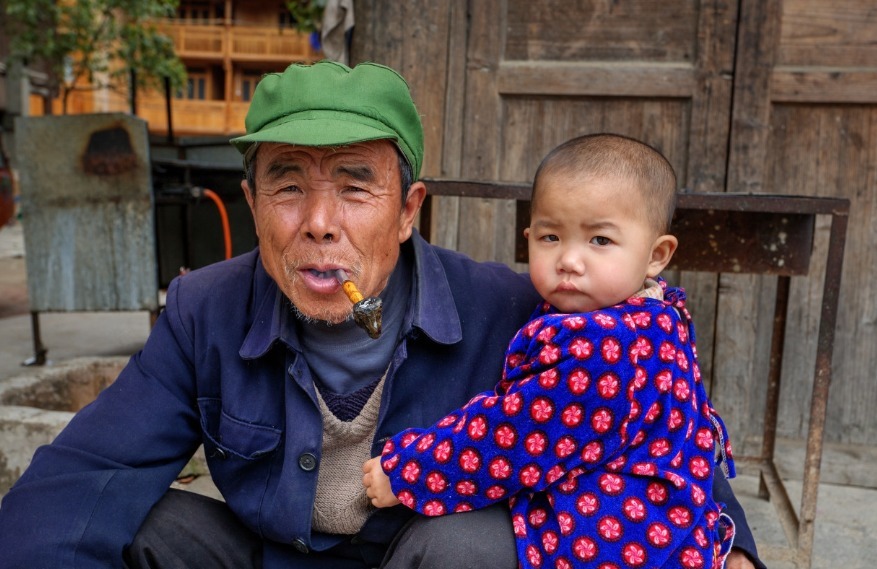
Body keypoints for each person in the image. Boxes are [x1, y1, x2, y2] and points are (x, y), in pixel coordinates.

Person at [0, 61, 762, 569]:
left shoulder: (518, 308)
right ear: (253, 205)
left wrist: (732, 552)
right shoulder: (205, 308)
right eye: (288, 185)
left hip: (416, 558)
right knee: (135, 520)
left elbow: (661, 423)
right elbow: (89, 469)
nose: (319, 223)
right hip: (270, 555)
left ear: (407, 211)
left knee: (471, 543)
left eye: (356, 187)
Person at [363, 133, 740, 568]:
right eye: (550, 237)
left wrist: (409, 471)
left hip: (610, 543)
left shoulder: (599, 348)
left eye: (599, 240)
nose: (569, 260)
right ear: (528, 236)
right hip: (667, 535)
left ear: (657, 254)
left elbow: (510, 437)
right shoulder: (660, 317)